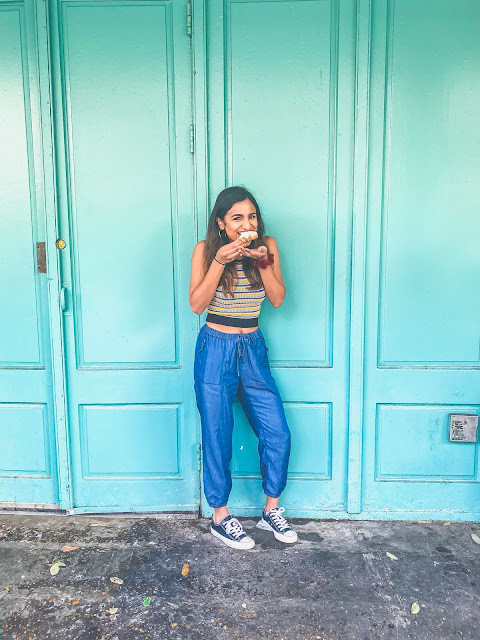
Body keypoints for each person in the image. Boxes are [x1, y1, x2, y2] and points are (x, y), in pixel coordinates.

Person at [189, 186, 297, 550]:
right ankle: (220, 516)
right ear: (221, 223)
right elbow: (196, 305)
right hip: (215, 347)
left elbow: (278, 299)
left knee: (277, 431)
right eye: (237, 218)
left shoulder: (267, 245)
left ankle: (271, 510)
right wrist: (220, 260)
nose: (246, 224)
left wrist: (261, 260)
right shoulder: (206, 251)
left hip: (252, 347)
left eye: (251, 216)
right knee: (217, 432)